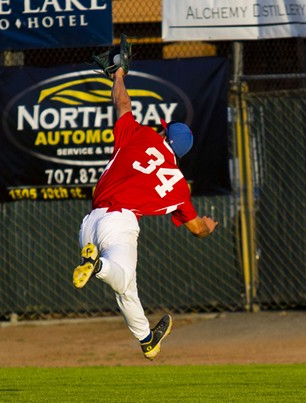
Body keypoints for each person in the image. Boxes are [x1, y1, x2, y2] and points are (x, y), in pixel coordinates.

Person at [72, 66, 218, 360]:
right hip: (118, 223)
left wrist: (119, 75)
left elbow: (123, 104)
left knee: (127, 290)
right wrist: (207, 226)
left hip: (90, 222)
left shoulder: (141, 134)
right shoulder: (178, 186)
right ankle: (98, 266)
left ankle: (147, 340)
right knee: (122, 281)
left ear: (165, 132)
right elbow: (196, 229)